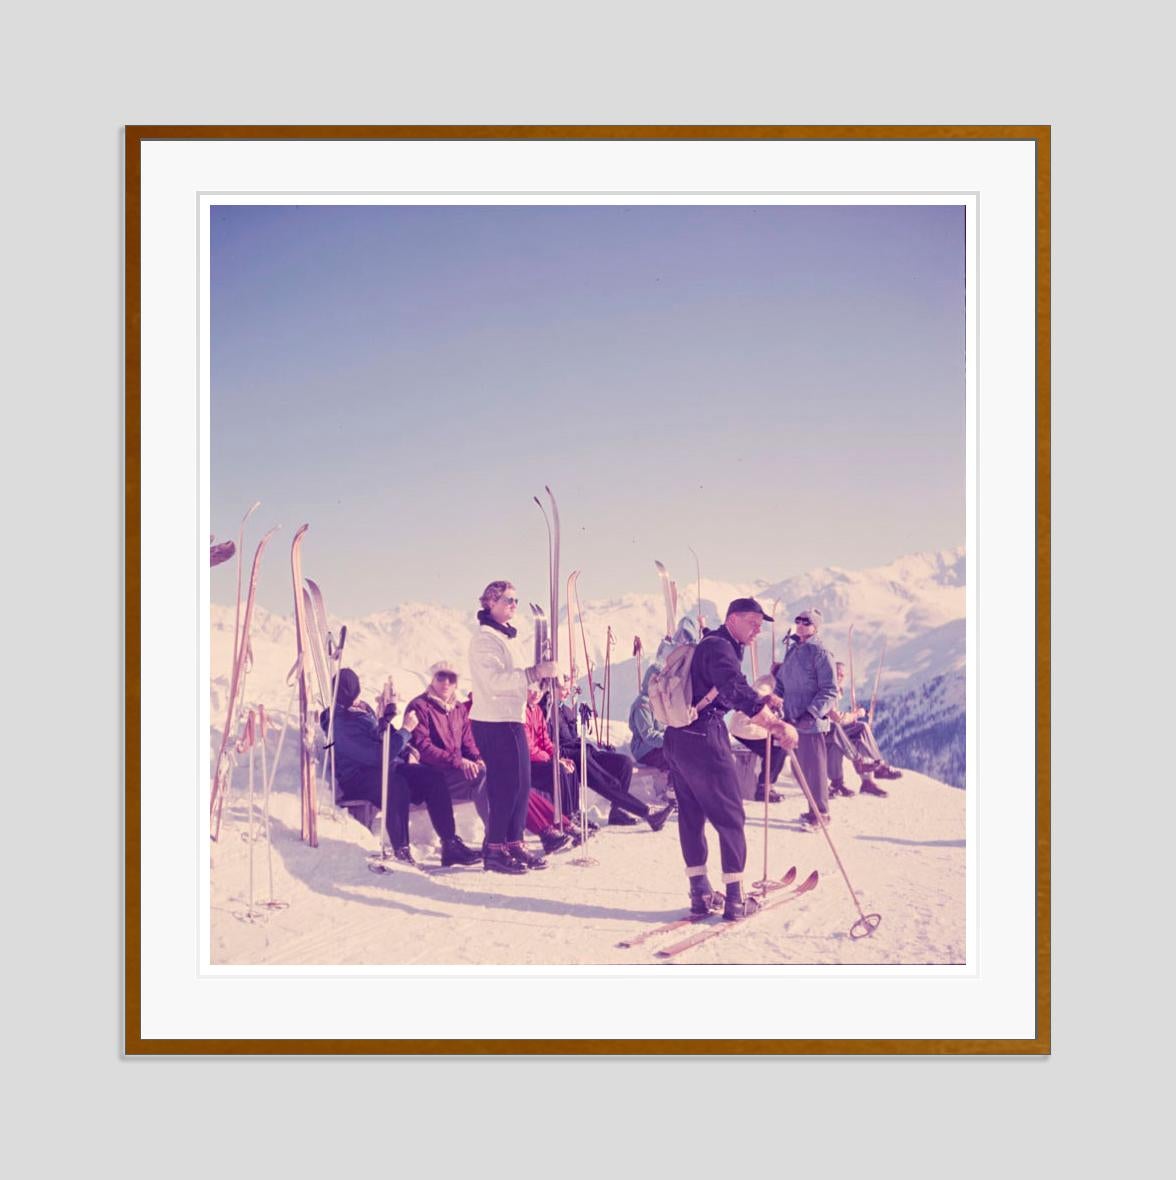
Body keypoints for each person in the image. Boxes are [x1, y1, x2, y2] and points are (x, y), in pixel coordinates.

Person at [662, 598, 798, 921]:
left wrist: (760, 701)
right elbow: (735, 689)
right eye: (752, 623)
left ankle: (699, 893)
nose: (757, 631)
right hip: (704, 738)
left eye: (760, 626)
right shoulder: (721, 648)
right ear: (732, 619)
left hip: (678, 737)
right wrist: (775, 724)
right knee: (731, 816)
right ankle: (735, 901)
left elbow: (722, 688)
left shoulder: (710, 645)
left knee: (691, 816)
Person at [322, 668, 481, 868]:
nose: (355, 699)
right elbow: (377, 756)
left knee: (432, 777)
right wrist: (406, 730)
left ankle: (450, 844)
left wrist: (401, 743)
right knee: (395, 785)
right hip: (358, 776)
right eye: (350, 696)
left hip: (385, 765)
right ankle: (401, 849)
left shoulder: (360, 709)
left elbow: (380, 737)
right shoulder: (340, 723)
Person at [467, 580, 561, 873]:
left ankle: (514, 842)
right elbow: (494, 681)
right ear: (490, 602)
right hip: (494, 720)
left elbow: (515, 678)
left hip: (511, 715)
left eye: (516, 600)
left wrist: (530, 688)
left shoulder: (507, 638)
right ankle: (495, 848)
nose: (513, 605)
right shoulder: (485, 639)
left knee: (521, 784)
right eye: (508, 599)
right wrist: (533, 673)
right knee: (505, 785)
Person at [557, 681, 674, 831]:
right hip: (572, 757)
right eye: (564, 689)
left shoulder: (565, 710)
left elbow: (573, 737)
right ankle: (648, 813)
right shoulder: (548, 712)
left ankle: (616, 812)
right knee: (608, 782)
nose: (567, 692)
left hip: (583, 750)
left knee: (623, 763)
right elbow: (551, 743)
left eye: (568, 689)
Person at [404, 660, 490, 831]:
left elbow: (468, 742)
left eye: (451, 679)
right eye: (441, 677)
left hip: (452, 771)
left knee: (490, 774)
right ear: (432, 679)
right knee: (482, 777)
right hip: (430, 774)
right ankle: (495, 837)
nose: (446, 683)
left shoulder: (459, 708)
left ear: (456, 683)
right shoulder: (419, 706)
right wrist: (459, 762)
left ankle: (500, 835)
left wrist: (477, 758)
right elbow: (423, 748)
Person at [772, 607, 839, 828]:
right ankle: (813, 810)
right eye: (798, 620)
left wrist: (811, 713)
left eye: (806, 622)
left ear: (816, 627)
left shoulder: (820, 652)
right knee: (799, 771)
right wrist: (775, 697)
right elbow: (782, 682)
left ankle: (821, 814)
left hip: (810, 722)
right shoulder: (793, 649)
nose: (801, 624)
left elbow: (830, 689)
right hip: (791, 719)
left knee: (814, 771)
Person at [826, 661, 903, 799]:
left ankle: (875, 769)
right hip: (824, 731)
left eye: (842, 675)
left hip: (832, 730)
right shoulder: (827, 689)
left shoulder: (836, 690)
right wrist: (857, 714)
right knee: (842, 740)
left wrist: (853, 716)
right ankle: (859, 772)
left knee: (862, 729)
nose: (839, 677)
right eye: (836, 673)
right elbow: (837, 718)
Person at [728, 675, 787, 802]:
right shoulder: (770, 680)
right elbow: (758, 692)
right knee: (779, 747)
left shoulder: (788, 687)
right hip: (746, 726)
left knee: (778, 747)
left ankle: (765, 786)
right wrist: (766, 698)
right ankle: (764, 788)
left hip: (754, 727)